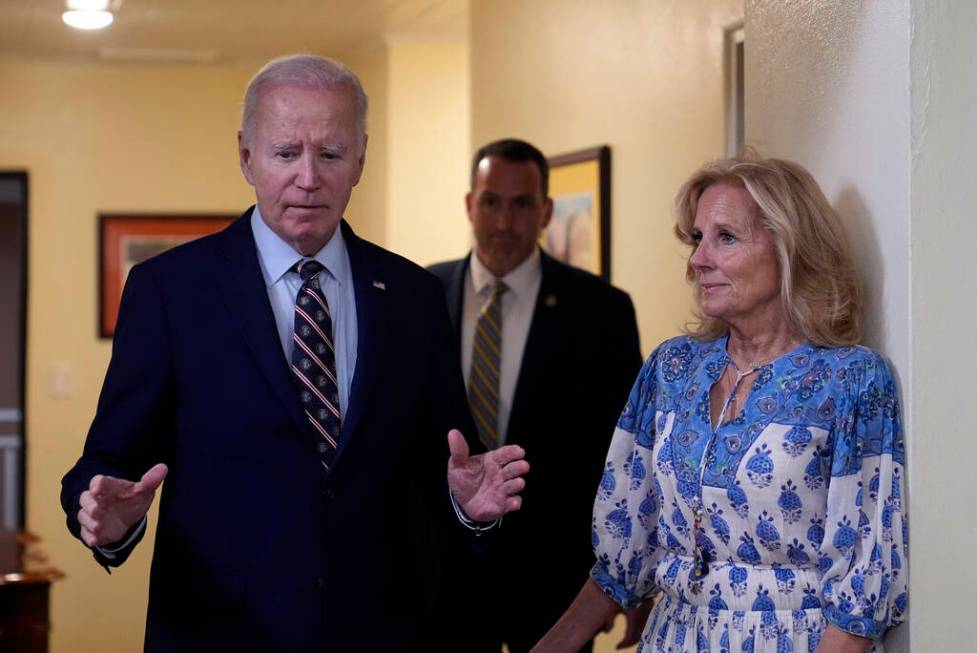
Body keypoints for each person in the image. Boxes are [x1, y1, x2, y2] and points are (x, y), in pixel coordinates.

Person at [60, 54, 529, 651]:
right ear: (246, 155)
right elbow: (106, 465)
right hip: (218, 634)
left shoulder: (413, 296)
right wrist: (107, 520)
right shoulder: (170, 291)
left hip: (382, 632)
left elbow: (448, 464)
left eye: (330, 155)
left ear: (360, 159)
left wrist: (468, 506)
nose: (309, 178)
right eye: (286, 153)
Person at [534, 155, 908, 652]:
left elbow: (863, 594)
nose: (697, 261)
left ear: (788, 245)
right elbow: (623, 558)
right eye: (697, 239)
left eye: (725, 238)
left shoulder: (852, 381)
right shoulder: (671, 370)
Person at [428, 139, 644, 652]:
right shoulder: (419, 295)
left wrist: (630, 576)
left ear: (546, 210)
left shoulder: (602, 312)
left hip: (554, 582)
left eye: (522, 204)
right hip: (442, 574)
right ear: (469, 205)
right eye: (491, 202)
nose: (505, 221)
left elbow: (629, 458)